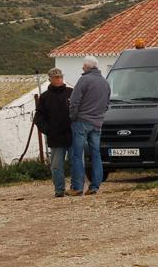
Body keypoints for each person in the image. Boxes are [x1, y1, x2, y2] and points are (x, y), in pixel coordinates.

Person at [68, 56, 111, 196]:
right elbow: (106, 104)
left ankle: (77, 187)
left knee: (77, 154)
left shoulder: (84, 80)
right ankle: (95, 186)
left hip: (82, 122)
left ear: (87, 67)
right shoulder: (105, 82)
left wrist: (73, 117)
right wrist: (99, 117)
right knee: (96, 154)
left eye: (83, 66)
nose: (82, 68)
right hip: (97, 123)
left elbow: (74, 102)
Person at [34, 68, 73, 198]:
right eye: (56, 77)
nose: (59, 79)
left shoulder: (71, 93)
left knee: (77, 163)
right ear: (50, 79)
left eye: (60, 77)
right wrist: (49, 130)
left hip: (72, 136)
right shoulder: (44, 97)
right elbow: (39, 118)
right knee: (56, 166)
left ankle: (76, 188)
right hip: (55, 138)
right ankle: (59, 190)